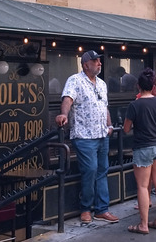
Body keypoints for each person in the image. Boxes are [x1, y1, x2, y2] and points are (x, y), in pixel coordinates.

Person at [55, 50, 119, 224]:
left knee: (102, 171)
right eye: (95, 61)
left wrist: (109, 124)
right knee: (90, 170)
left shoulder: (102, 83)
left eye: (99, 61)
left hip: (102, 135)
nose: (99, 63)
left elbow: (104, 106)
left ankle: (102, 209)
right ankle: (85, 209)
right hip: (84, 136)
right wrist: (63, 115)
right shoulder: (75, 80)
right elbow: (67, 99)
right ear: (85, 64)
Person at [124, 68, 156, 234]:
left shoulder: (134, 105)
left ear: (138, 86)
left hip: (143, 146)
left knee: (143, 186)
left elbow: (126, 128)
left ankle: (143, 224)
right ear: (152, 86)